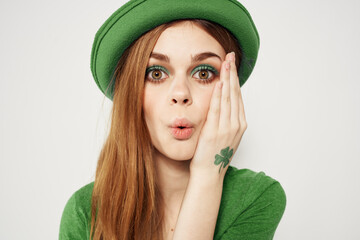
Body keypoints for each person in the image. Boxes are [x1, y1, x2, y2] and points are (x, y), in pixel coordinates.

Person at [59, 0, 286, 239]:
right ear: (130, 92)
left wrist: (207, 175)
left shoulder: (256, 199)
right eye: (156, 73)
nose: (181, 94)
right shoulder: (85, 213)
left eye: (203, 73)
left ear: (230, 89)